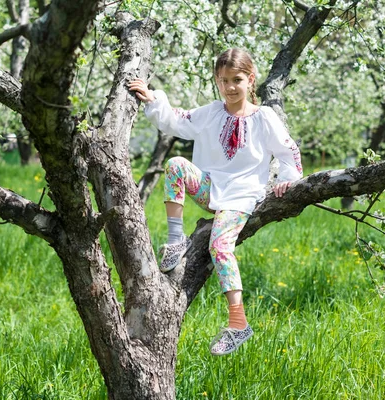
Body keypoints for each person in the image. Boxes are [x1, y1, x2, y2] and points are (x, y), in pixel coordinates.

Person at [128, 48, 303, 356]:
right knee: (176, 165)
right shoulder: (211, 112)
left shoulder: (264, 117)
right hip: (212, 189)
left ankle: (238, 323)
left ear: (250, 80)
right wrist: (152, 98)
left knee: (220, 246)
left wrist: (287, 178)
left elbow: (288, 151)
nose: (230, 87)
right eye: (223, 81)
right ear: (217, 82)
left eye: (236, 80)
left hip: (242, 195)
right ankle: (175, 240)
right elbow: (177, 121)